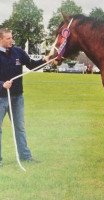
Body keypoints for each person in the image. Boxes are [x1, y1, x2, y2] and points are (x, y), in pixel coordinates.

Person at [0, 28, 48, 166]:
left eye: (12, 37)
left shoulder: (18, 52)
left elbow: (32, 65)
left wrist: (45, 59)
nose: (11, 40)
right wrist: (2, 84)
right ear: (0, 39)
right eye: (8, 38)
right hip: (1, 98)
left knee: (20, 127)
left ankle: (25, 156)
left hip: (17, 97)